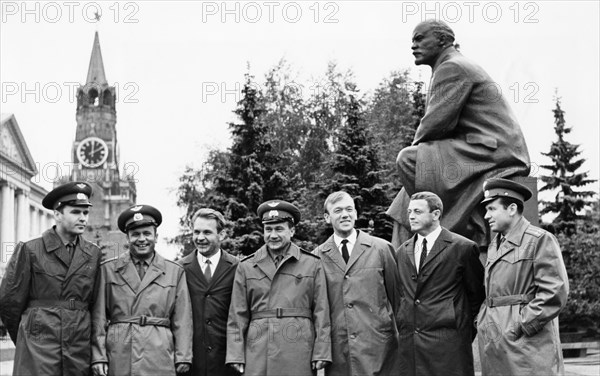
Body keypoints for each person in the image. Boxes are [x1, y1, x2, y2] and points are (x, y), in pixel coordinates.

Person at [387, 19, 531, 248]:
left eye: (419, 38)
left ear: (443, 40)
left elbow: (435, 125)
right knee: (402, 204)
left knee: (408, 160)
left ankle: (438, 227)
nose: (413, 45)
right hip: (477, 146)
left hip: (492, 151)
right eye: (412, 40)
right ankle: (404, 263)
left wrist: (418, 151)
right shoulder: (450, 65)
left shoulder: (453, 67)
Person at [0, 181, 102, 376]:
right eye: (75, 212)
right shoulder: (30, 249)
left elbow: (96, 306)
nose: (82, 218)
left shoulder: (93, 254)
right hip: (39, 349)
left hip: (78, 348)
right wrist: (26, 336)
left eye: (85, 213)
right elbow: (9, 303)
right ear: (57, 214)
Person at [226, 200, 331, 375]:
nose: (273, 235)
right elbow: (237, 315)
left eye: (279, 229)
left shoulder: (311, 264)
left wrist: (322, 351)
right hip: (258, 350)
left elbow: (322, 312)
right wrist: (235, 354)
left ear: (292, 230)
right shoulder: (246, 266)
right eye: (268, 229)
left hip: (299, 350)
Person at [477, 178, 569, 376]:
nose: (486, 216)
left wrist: (522, 325)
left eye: (492, 209)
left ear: (511, 208)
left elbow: (555, 291)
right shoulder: (495, 244)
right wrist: (482, 320)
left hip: (525, 343)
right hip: (494, 340)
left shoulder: (539, 239)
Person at [91, 205, 192, 376]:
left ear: (156, 236)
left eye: (147, 234)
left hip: (159, 350)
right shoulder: (108, 269)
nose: (142, 239)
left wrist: (183, 356)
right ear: (127, 238)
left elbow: (182, 318)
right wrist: (99, 356)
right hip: (120, 352)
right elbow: (98, 318)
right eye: (135, 234)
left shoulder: (174, 271)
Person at [396, 191, 485, 376]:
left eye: (418, 211)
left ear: (435, 214)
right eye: (409, 211)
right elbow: (400, 295)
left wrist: (461, 333)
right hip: (410, 347)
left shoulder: (463, 248)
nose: (411, 216)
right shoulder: (401, 252)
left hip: (449, 347)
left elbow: (477, 296)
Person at [312, 191, 400, 376]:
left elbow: (398, 299)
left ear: (356, 214)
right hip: (339, 351)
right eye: (337, 211)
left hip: (379, 346)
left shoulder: (382, 249)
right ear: (327, 217)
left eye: (349, 209)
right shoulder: (316, 256)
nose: (345, 214)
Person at [179, 208, 239, 376]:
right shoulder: (179, 269)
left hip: (226, 363)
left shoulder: (237, 268)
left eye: (207, 232)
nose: (200, 238)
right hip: (190, 364)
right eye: (196, 232)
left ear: (222, 235)